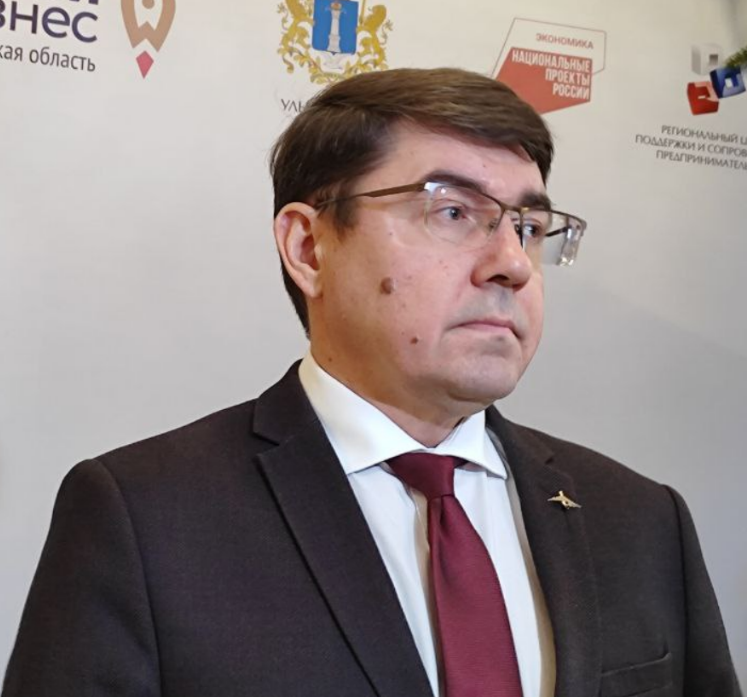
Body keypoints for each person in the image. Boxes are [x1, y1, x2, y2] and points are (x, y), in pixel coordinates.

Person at [2, 68, 741, 697]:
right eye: (453, 211)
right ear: (309, 247)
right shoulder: (144, 519)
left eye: (527, 226)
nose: (512, 264)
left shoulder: (642, 520)